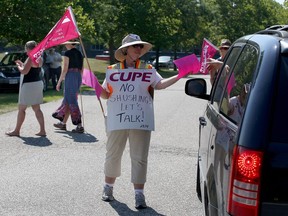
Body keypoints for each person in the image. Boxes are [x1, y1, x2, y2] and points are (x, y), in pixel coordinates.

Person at [100, 33, 180, 209]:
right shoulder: (114, 69)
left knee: (140, 157)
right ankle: (108, 187)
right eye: (135, 46)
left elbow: (159, 85)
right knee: (113, 153)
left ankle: (139, 195)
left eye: (140, 46)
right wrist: (96, 87)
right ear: (126, 50)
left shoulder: (147, 67)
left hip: (141, 118)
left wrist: (180, 76)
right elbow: (106, 94)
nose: (138, 49)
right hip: (117, 118)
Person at [5, 40, 46, 137]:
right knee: (37, 108)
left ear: (28, 48)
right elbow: (32, 68)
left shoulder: (30, 57)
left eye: (26, 49)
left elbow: (24, 72)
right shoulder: (39, 57)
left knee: (22, 108)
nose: (26, 51)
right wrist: (23, 64)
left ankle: (16, 131)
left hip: (29, 85)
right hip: (38, 83)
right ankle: (42, 130)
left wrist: (19, 66)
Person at [52, 40, 84, 133]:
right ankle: (63, 123)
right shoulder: (79, 53)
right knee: (68, 100)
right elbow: (82, 69)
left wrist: (59, 82)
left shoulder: (67, 53)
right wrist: (80, 80)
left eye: (66, 43)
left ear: (70, 44)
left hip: (70, 76)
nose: (65, 45)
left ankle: (79, 125)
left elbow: (65, 68)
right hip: (77, 76)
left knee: (72, 101)